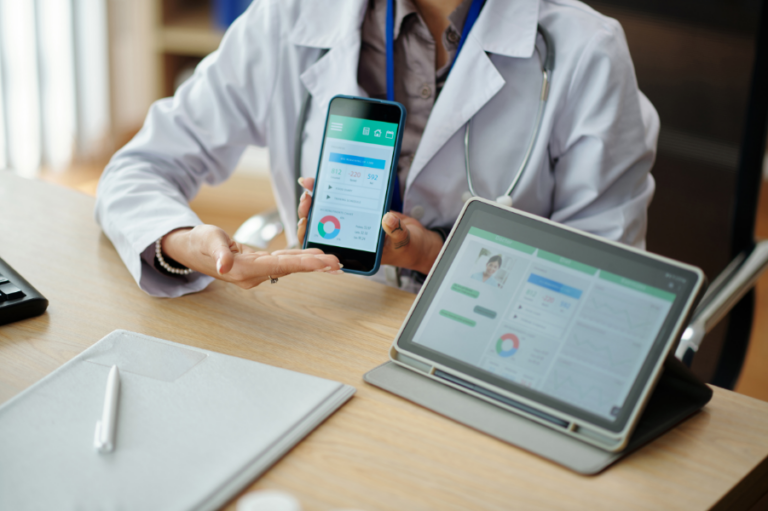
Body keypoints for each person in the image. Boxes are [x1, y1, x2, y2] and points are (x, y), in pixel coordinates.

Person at [95, 0, 659, 297]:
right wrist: (180, 242)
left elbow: (603, 283)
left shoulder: (585, 52)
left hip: (493, 352)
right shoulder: (289, 16)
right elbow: (140, 168)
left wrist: (433, 257)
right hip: (326, 335)